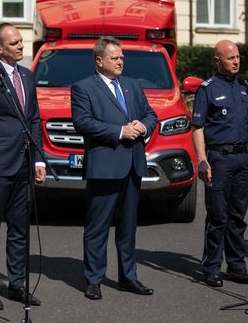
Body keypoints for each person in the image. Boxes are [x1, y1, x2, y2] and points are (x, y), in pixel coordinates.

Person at [71, 36, 157, 300]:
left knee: (128, 226)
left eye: (121, 57)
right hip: (105, 166)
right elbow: (83, 122)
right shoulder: (83, 87)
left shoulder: (131, 85)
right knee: (98, 226)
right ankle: (94, 279)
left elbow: (150, 114)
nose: (121, 61)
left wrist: (143, 126)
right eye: (115, 58)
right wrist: (120, 131)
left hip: (132, 165)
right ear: (99, 60)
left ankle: (128, 277)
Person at [0, 23, 46, 311]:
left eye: (21, 41)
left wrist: (38, 158)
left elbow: (34, 120)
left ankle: (17, 284)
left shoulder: (27, 76)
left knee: (19, 230)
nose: (20, 46)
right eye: (14, 42)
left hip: (24, 165)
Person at [192, 39, 248, 288]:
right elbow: (198, 128)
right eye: (230, 57)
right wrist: (202, 160)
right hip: (219, 159)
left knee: (237, 216)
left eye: (238, 57)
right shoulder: (207, 88)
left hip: (243, 158)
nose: (236, 61)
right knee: (218, 216)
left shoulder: (245, 87)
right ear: (217, 60)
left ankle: (236, 265)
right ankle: (211, 267)